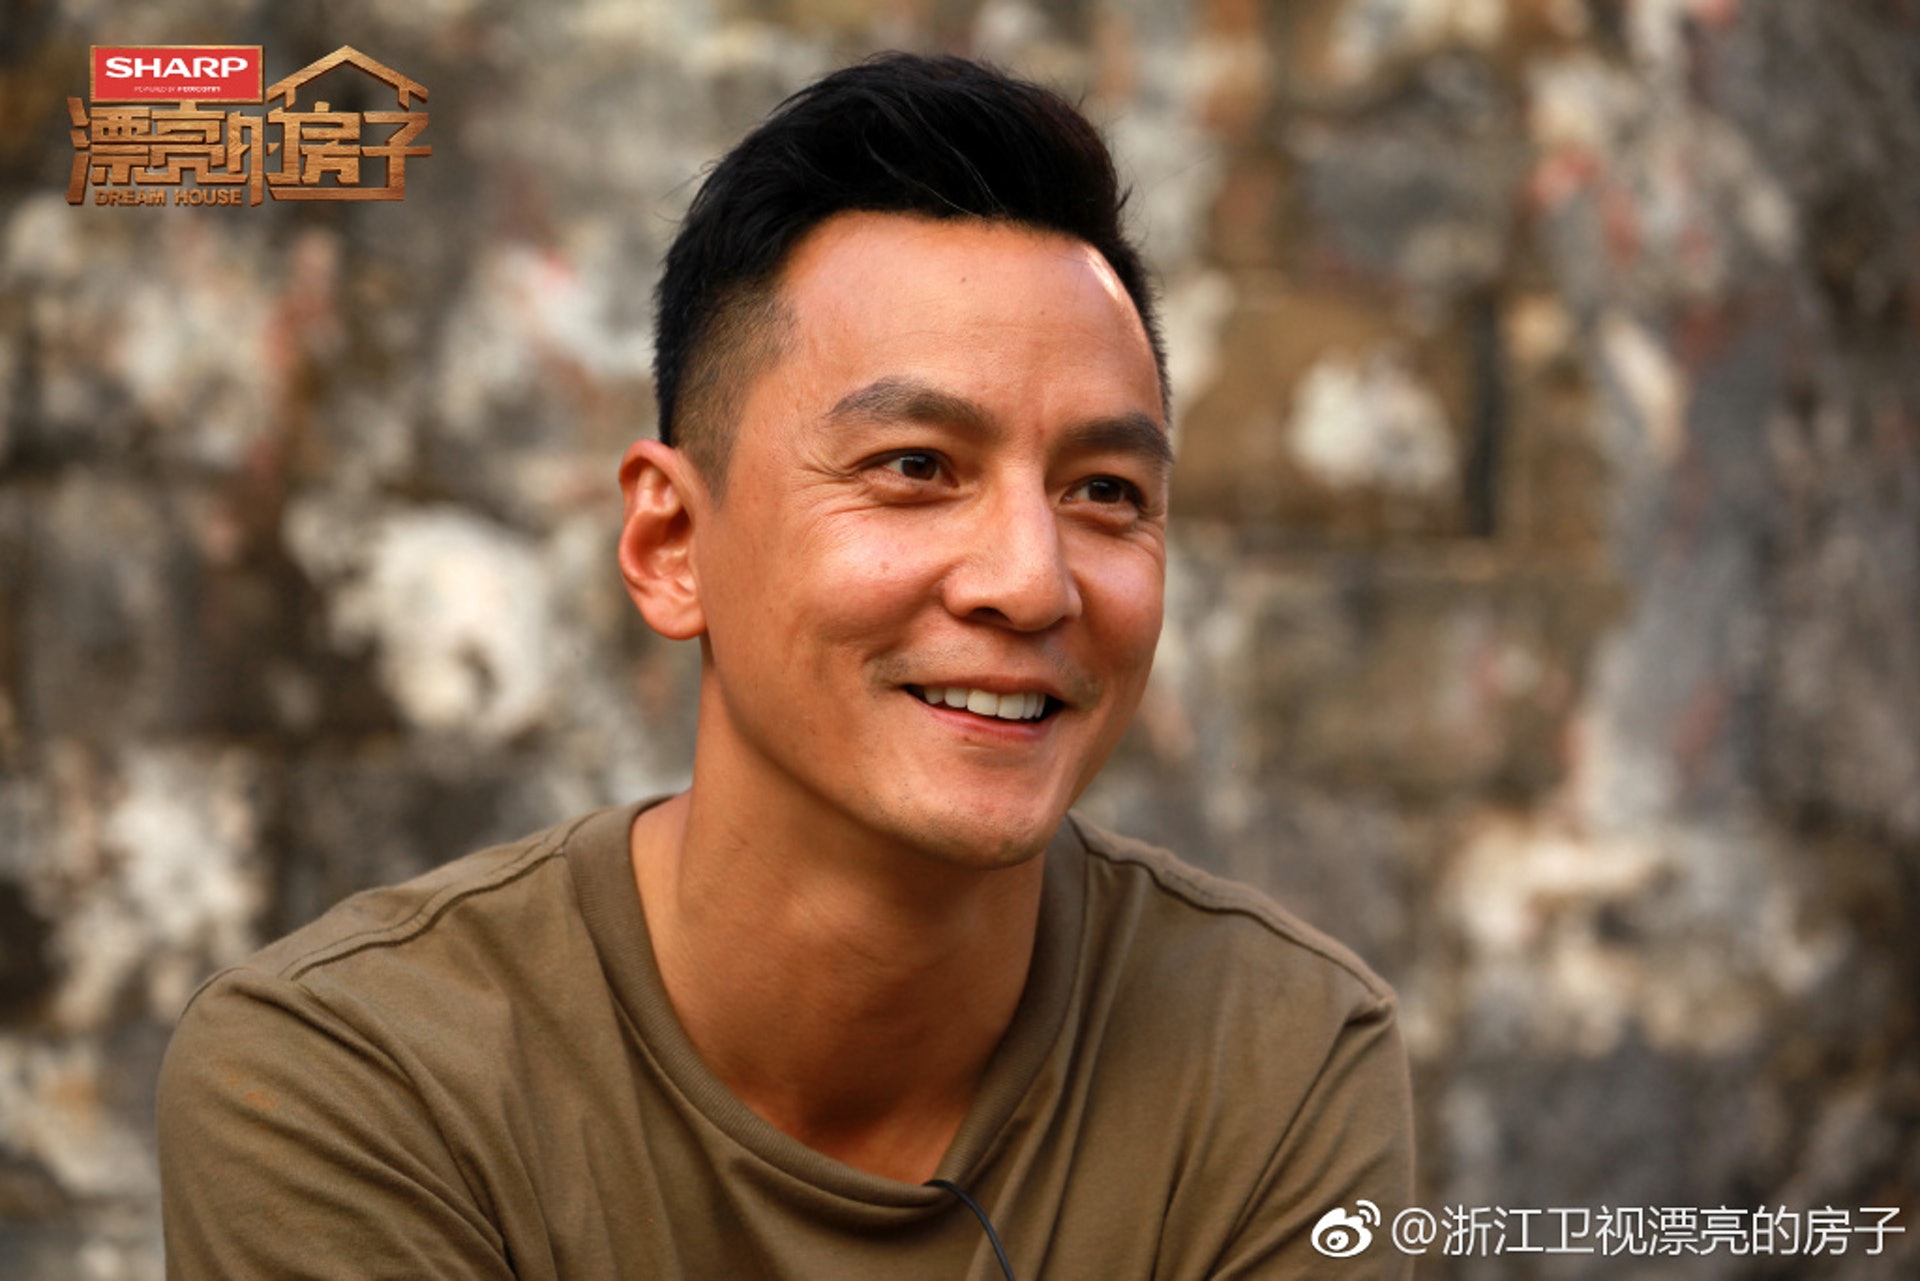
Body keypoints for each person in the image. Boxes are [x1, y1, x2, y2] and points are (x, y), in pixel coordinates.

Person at [158, 53, 1413, 1279]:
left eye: (1105, 491)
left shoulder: (1274, 1055)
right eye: (915, 467)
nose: (1033, 582)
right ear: (671, 545)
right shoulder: (355, 1078)